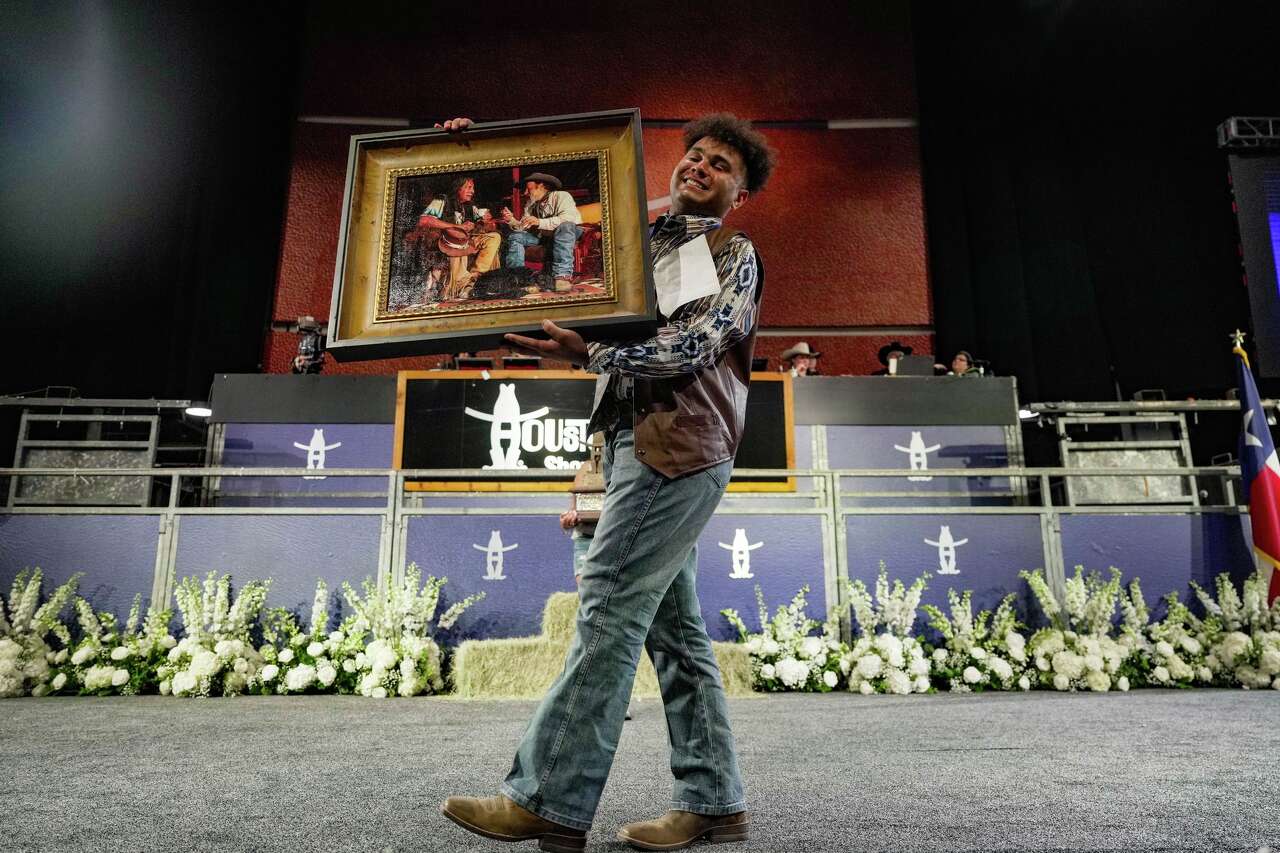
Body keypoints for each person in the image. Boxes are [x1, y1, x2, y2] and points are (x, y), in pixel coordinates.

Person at [440, 112, 774, 852]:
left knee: (609, 610)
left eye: (720, 164)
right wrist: (470, 155)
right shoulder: (638, 240)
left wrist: (592, 354)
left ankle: (550, 798)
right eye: (694, 154)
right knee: (675, 633)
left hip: (678, 447)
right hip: (632, 439)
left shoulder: (735, 252)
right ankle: (715, 800)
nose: (699, 165)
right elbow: (549, 226)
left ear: (738, 194)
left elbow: (695, 343)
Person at [418, 176, 502, 300]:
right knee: (458, 241)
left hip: (467, 240)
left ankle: (476, 275)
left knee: (494, 237)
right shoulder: (442, 200)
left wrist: (486, 220)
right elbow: (424, 220)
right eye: (468, 187)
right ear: (458, 188)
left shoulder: (470, 206)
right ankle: (462, 285)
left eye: (473, 188)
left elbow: (483, 220)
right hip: (446, 241)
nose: (472, 191)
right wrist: (455, 226)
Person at [502, 172, 583, 293]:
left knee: (565, 227)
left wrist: (539, 222)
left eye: (528, 189)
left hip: (568, 232)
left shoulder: (562, 196)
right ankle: (519, 277)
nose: (525, 193)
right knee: (516, 236)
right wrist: (511, 220)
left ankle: (562, 277)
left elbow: (568, 219)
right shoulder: (531, 204)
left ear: (541, 186)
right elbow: (523, 227)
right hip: (545, 236)